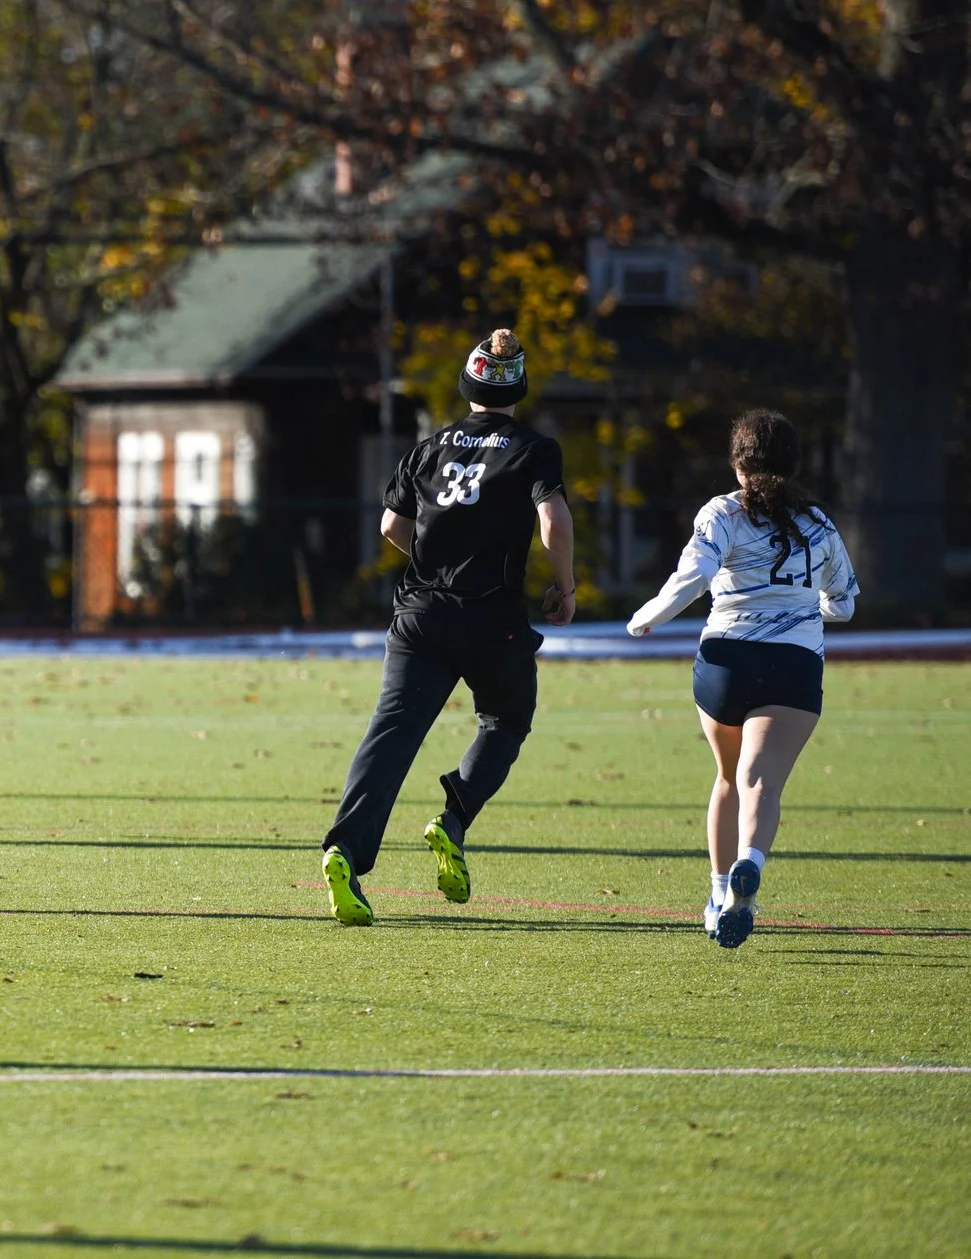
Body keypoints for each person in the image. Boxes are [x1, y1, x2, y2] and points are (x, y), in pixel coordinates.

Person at [318, 328, 576, 925]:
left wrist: (432, 558)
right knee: (507, 720)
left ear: (467, 385)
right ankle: (452, 819)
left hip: (420, 616)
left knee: (390, 735)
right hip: (493, 620)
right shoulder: (533, 449)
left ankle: (345, 852)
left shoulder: (429, 447)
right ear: (519, 389)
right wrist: (564, 586)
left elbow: (390, 525)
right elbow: (554, 522)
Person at [627, 409, 856, 948]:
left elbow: (693, 578)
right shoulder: (818, 523)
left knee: (729, 777)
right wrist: (802, 607)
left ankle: (715, 894)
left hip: (726, 663)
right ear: (793, 465)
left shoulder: (722, 513)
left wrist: (646, 618)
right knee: (763, 782)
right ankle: (748, 867)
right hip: (794, 664)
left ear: (737, 465)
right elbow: (843, 603)